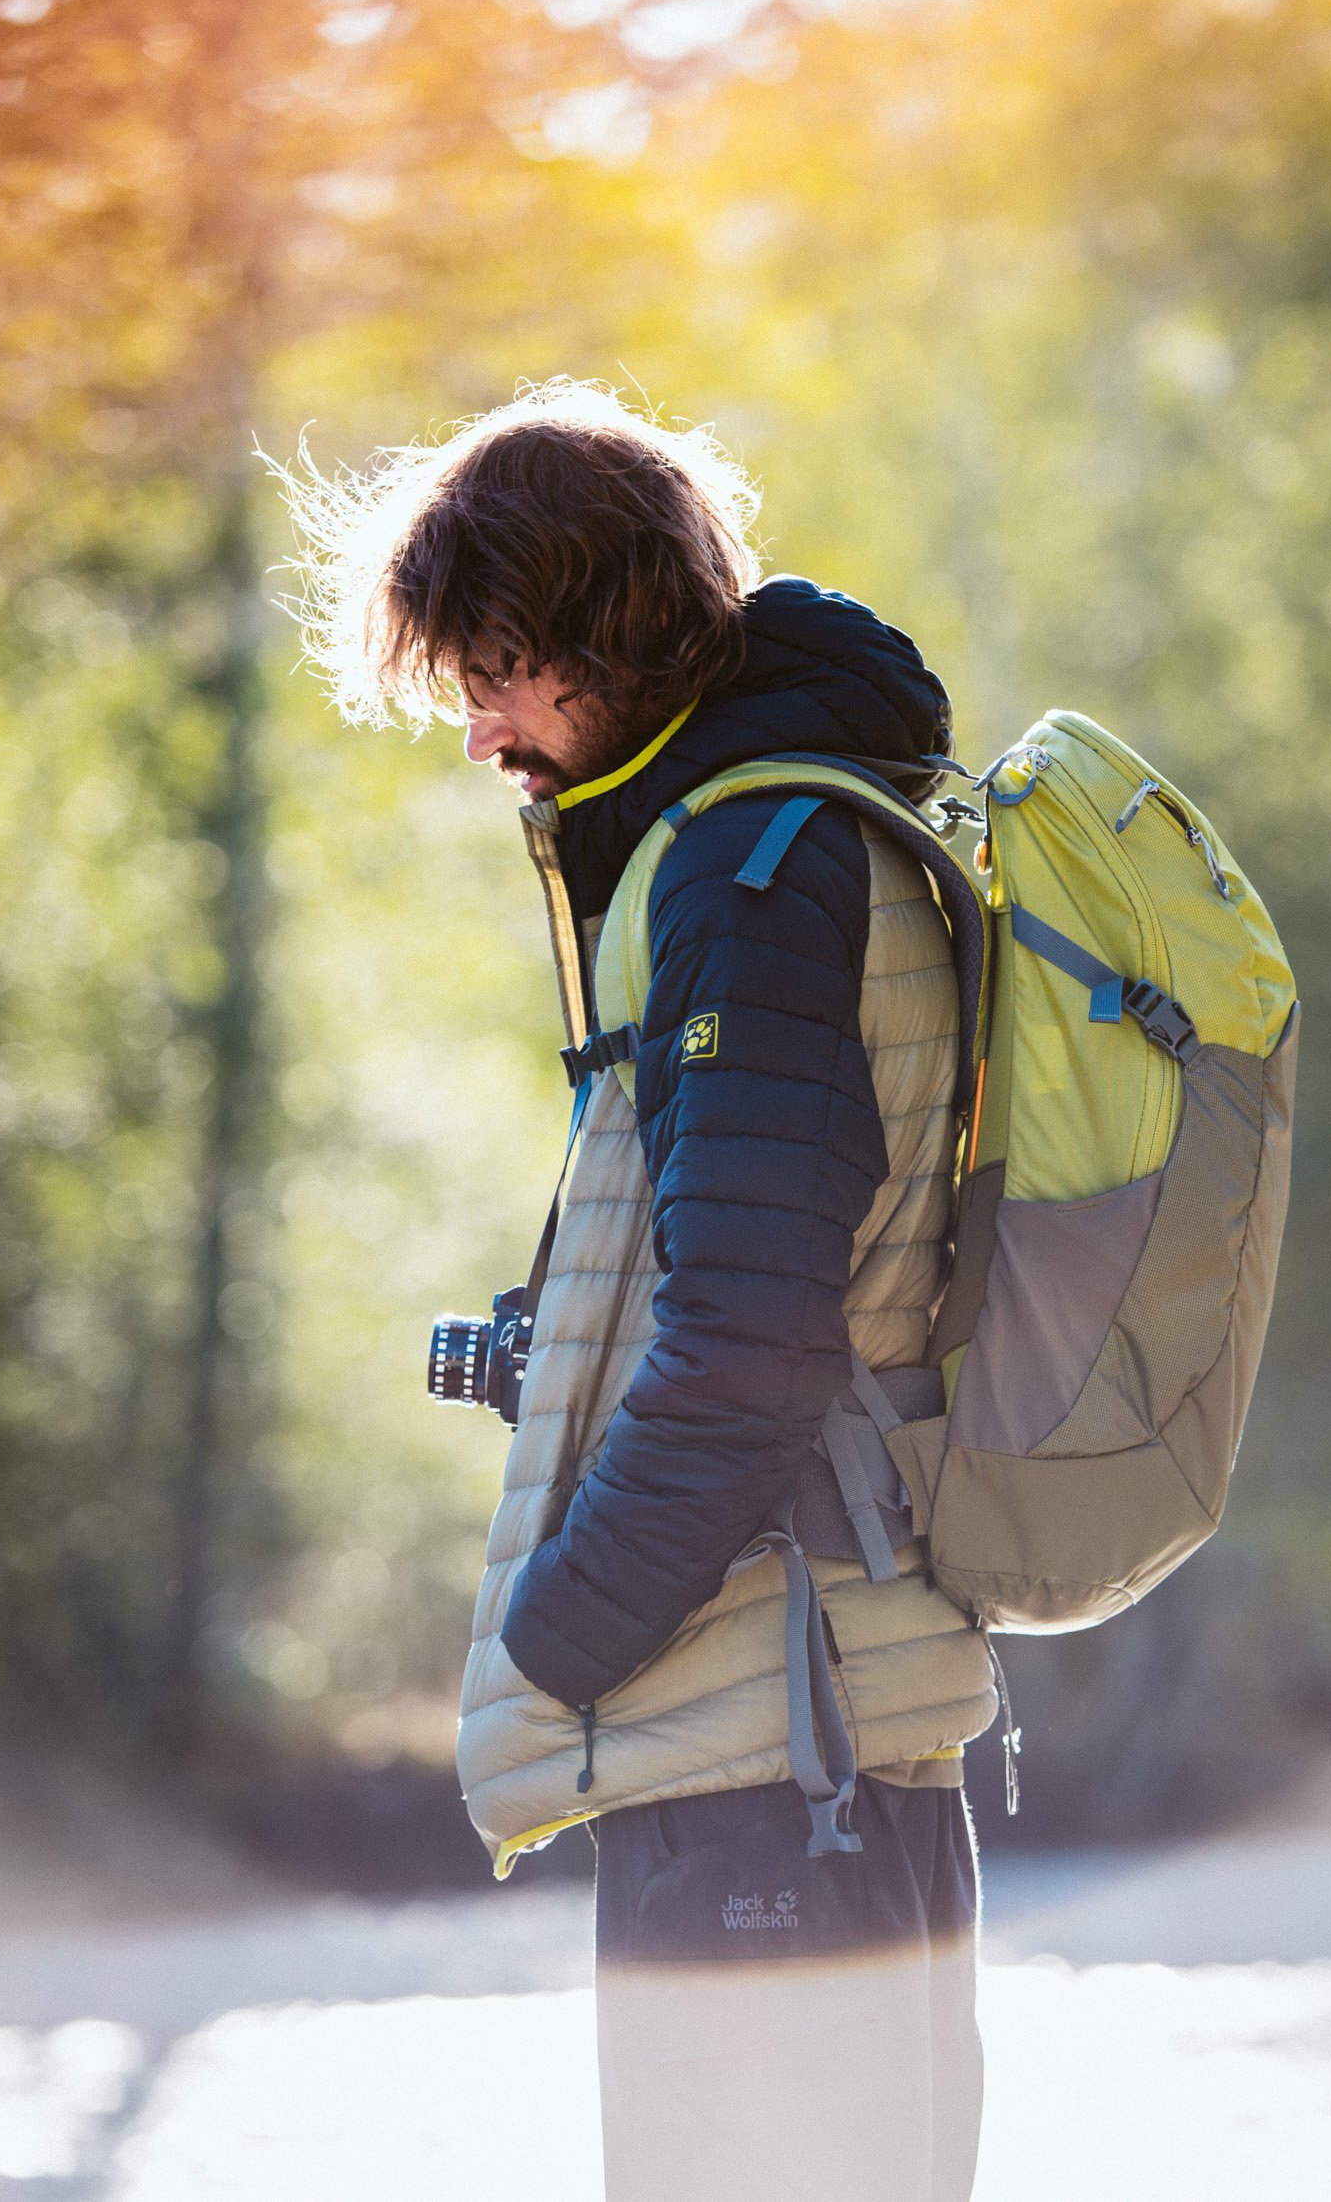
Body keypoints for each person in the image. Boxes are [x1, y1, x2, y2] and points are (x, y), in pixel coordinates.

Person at [293, 382, 995, 2202]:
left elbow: (758, 1344)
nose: (478, 732)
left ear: (601, 634)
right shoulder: (811, 832)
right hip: (847, 1720)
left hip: (759, 1738)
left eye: (495, 672)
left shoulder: (749, 881)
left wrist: (558, 1635)